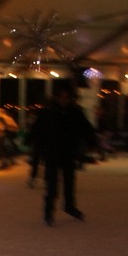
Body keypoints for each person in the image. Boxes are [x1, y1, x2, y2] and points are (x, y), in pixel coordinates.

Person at [33, 85, 97, 226]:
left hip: (68, 152)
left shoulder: (75, 112)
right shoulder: (48, 113)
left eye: (66, 98)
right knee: (52, 184)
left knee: (69, 182)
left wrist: (93, 142)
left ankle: (69, 206)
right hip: (52, 153)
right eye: (61, 97)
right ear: (56, 98)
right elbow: (38, 130)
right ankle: (48, 212)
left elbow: (85, 129)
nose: (64, 100)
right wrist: (39, 148)